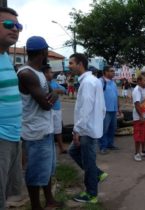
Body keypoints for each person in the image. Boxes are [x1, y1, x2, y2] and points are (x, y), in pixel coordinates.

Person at [17, 36, 62, 210]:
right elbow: (46, 104)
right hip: (34, 131)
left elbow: (52, 93)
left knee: (47, 169)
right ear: (43, 52)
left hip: (45, 129)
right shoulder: (26, 73)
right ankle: (36, 206)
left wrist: (54, 93)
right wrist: (54, 94)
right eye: (47, 51)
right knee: (35, 172)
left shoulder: (38, 73)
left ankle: (49, 200)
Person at [68, 53, 108, 203]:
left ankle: (91, 194)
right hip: (91, 127)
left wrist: (77, 130)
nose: (69, 66)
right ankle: (97, 174)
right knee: (74, 151)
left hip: (86, 129)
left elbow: (85, 108)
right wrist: (98, 121)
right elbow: (101, 107)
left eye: (71, 63)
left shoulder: (87, 82)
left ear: (80, 64)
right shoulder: (94, 81)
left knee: (88, 161)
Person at [0, 6, 24, 210]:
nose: (15, 29)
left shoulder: (5, 57)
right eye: (8, 24)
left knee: (6, 194)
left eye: (18, 25)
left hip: (13, 136)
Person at [43, 64, 67, 154]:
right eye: (50, 72)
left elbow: (64, 90)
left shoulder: (54, 83)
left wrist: (55, 91)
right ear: (44, 74)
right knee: (48, 131)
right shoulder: (42, 83)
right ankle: (50, 149)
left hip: (56, 109)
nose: (52, 74)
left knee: (58, 130)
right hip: (47, 110)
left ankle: (61, 148)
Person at [99, 65, 121, 154]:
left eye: (113, 71)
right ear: (105, 72)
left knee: (112, 128)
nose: (113, 72)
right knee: (104, 129)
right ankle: (103, 147)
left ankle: (110, 144)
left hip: (113, 109)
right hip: (105, 110)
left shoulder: (113, 82)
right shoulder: (100, 82)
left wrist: (119, 107)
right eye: (111, 71)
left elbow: (116, 96)